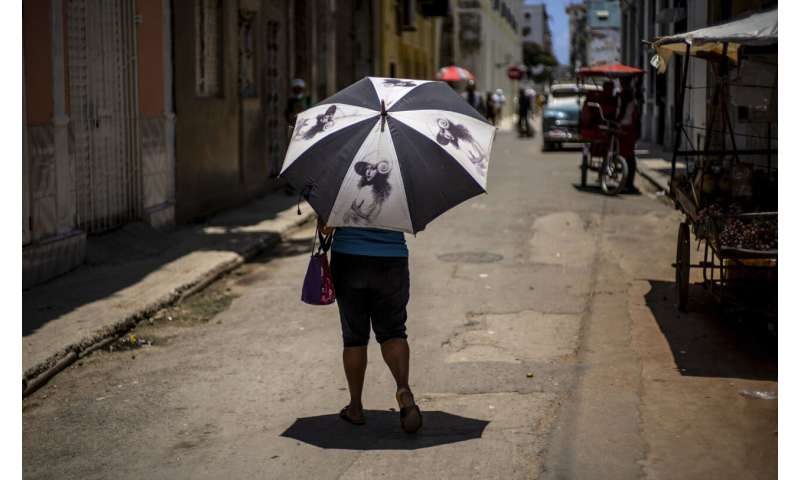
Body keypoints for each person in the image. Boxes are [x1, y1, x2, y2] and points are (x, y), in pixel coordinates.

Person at [319, 220, 423, 434]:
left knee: (354, 337)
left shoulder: (340, 186)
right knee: (394, 331)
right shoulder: (400, 186)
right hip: (392, 259)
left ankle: (355, 408)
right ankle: (404, 390)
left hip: (348, 259)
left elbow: (326, 228)